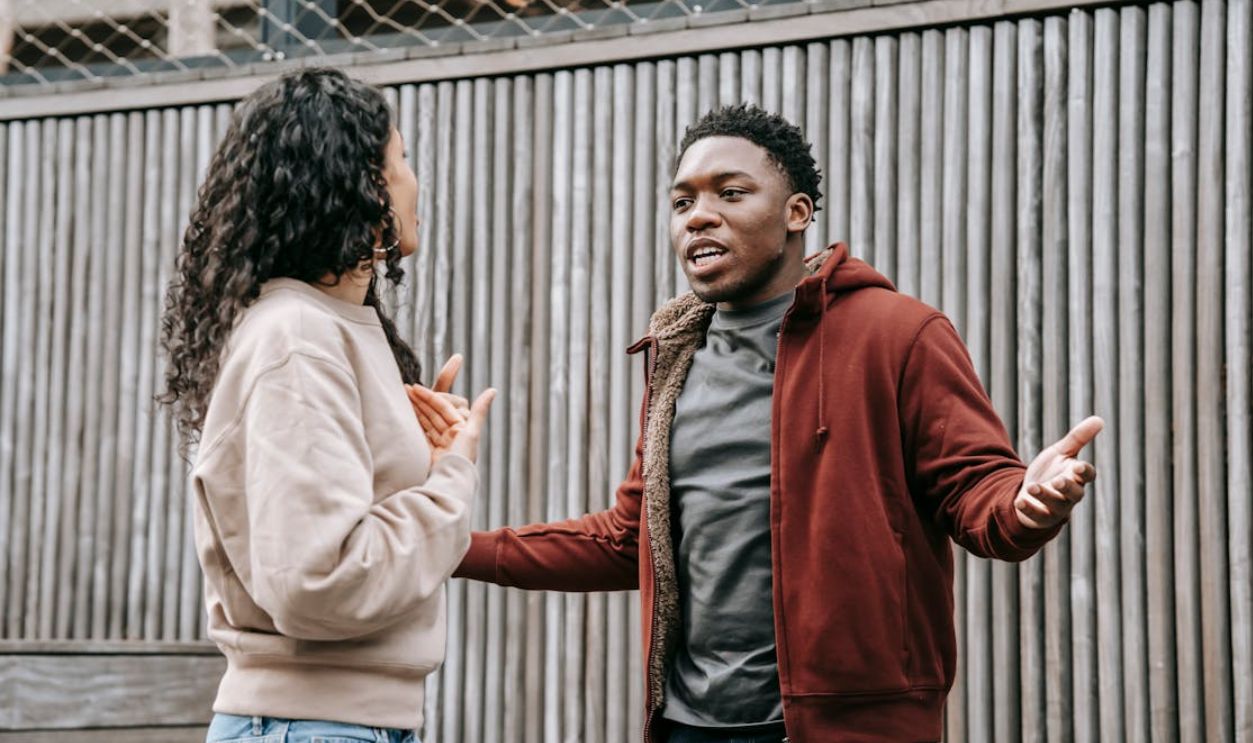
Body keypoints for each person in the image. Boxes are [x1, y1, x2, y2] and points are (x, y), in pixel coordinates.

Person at [427, 104, 1102, 743]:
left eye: (730, 193)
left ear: (796, 213)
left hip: (849, 727)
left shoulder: (897, 333)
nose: (699, 217)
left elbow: (975, 493)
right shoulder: (675, 353)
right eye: (682, 202)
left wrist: (1024, 503)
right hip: (690, 725)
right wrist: (440, 545)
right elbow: (631, 538)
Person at [158, 68, 494, 743]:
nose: (413, 181)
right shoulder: (299, 339)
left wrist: (425, 463)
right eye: (399, 160)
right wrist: (451, 480)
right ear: (355, 183)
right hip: (310, 724)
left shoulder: (330, 330)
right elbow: (320, 581)